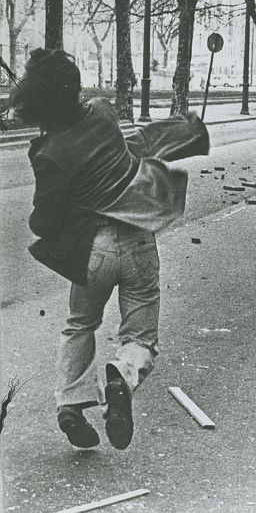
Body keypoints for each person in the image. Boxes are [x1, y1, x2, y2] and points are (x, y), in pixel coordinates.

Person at [11, 49, 209, 451]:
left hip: (92, 252)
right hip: (137, 243)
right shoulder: (102, 112)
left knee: (79, 324)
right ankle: (122, 374)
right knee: (140, 335)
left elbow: (43, 223)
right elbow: (132, 142)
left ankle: (70, 402)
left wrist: (42, 153)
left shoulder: (50, 154)